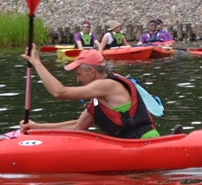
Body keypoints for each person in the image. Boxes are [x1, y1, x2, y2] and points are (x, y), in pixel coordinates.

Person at [19, 47, 160, 138]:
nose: (78, 80)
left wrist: (37, 63)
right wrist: (37, 127)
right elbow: (77, 126)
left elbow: (59, 92)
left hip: (145, 143)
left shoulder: (108, 85)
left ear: (92, 71)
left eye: (79, 74)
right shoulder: (98, 100)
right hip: (130, 146)